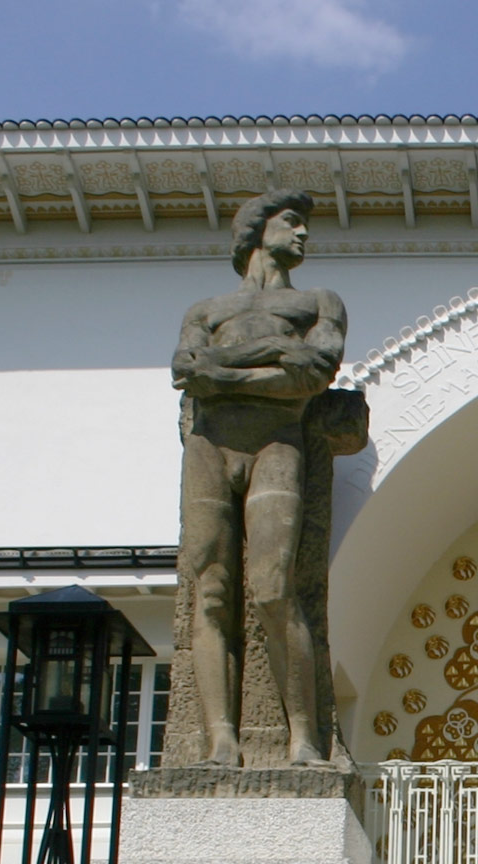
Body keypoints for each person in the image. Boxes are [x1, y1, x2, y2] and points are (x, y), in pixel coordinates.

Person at [172, 189, 347, 765]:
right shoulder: (204, 309)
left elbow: (311, 375)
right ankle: (219, 735)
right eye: (291, 222)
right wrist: (276, 351)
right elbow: (186, 372)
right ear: (256, 229)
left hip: (278, 441)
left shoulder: (320, 302)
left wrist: (224, 371)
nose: (303, 234)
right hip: (209, 446)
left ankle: (304, 736)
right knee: (213, 591)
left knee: (274, 588)